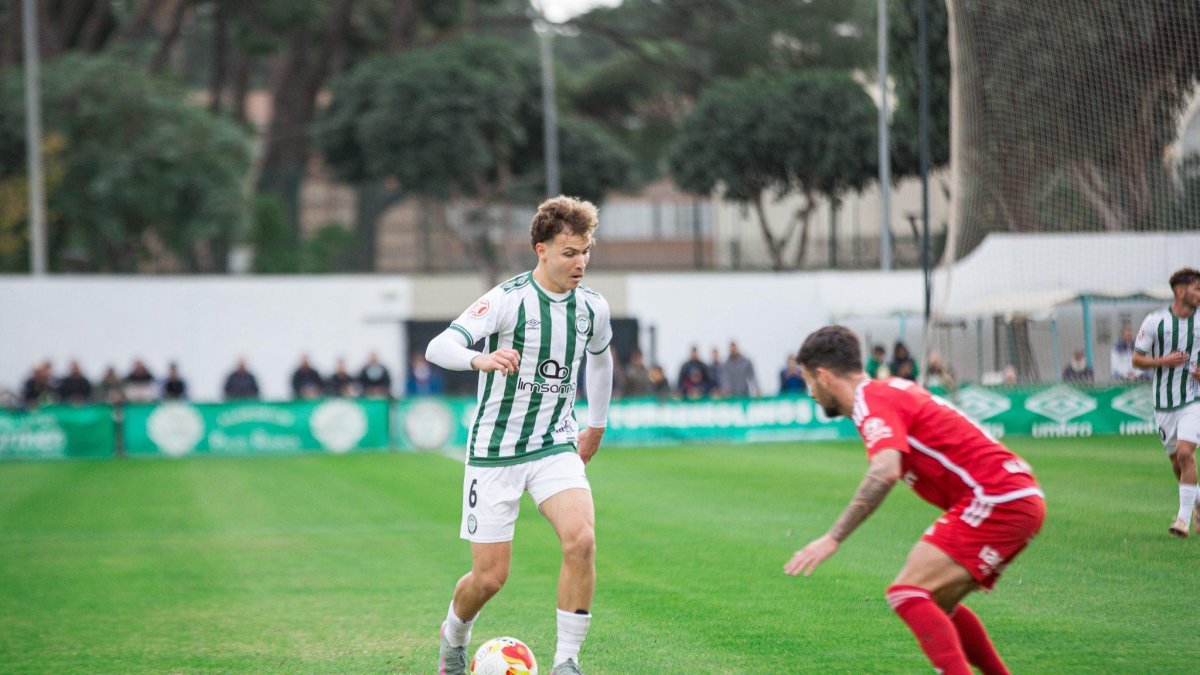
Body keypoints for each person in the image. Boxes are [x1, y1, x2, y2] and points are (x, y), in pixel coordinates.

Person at [785, 325, 1044, 675]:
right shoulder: (887, 391)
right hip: (1013, 494)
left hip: (997, 496)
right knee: (937, 602)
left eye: (808, 381)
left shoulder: (871, 402)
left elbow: (884, 471)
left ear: (823, 375)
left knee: (907, 592)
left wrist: (833, 538)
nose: (810, 392)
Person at [424, 196, 614, 675]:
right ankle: (454, 637)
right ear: (541, 250)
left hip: (555, 443)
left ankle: (567, 662)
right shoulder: (507, 299)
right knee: (490, 577)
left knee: (582, 540)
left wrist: (597, 423)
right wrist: (480, 358)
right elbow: (438, 346)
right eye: (569, 252)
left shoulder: (592, 307)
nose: (581, 262)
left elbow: (601, 358)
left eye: (586, 250)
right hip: (494, 452)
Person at [1132, 267, 1200, 537]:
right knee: (1176, 463)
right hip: (1163, 404)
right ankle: (1197, 505)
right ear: (1181, 292)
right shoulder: (1155, 322)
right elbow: (1136, 360)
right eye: (1197, 289)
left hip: (1193, 400)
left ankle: (1182, 520)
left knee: (1186, 454)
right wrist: (1164, 361)